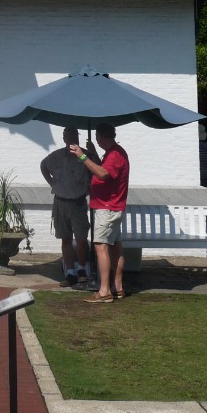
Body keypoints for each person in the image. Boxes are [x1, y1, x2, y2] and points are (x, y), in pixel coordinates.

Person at [70, 122, 129, 303]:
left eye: (97, 137)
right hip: (112, 207)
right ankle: (117, 287)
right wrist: (94, 153)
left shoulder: (115, 154)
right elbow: (105, 169)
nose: (96, 139)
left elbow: (102, 173)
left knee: (101, 246)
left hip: (107, 207)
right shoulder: (114, 153)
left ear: (101, 137)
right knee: (115, 247)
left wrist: (82, 157)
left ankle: (104, 292)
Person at [40, 126, 92, 287]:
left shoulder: (85, 155)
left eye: (74, 137)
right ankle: (70, 273)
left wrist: (92, 152)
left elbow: (97, 167)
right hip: (61, 202)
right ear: (64, 139)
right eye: (69, 137)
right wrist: (52, 183)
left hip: (78, 202)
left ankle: (82, 269)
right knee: (66, 238)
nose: (72, 140)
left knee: (82, 239)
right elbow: (43, 165)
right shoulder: (56, 156)